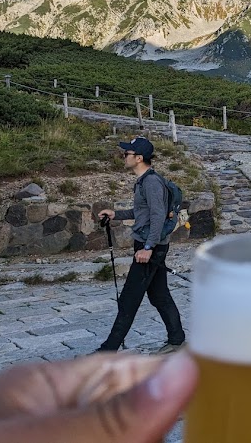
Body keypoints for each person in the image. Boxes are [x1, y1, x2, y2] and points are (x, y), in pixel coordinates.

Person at [0, 351, 197, 442]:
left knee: (138, 294)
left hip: (149, 246)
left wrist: (147, 244)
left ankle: (118, 337)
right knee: (149, 294)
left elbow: (156, 208)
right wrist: (119, 214)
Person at [96, 137, 186, 353]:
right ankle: (177, 340)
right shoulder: (144, 181)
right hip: (148, 245)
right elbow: (142, 213)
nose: (123, 156)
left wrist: (148, 248)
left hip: (149, 247)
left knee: (129, 299)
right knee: (159, 295)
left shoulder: (152, 183)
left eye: (126, 154)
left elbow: (157, 217)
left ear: (139, 158)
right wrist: (116, 214)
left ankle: (107, 352)